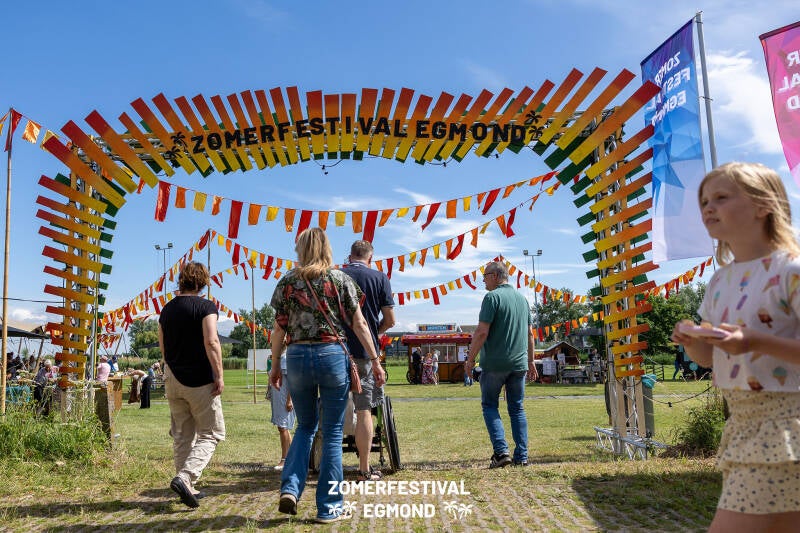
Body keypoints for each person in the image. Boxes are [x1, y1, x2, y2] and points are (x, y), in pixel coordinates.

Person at [670, 162, 800, 532]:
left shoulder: (791, 271)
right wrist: (693, 342)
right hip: (743, 424)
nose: (708, 207)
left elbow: (748, 344)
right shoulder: (719, 281)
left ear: (764, 205)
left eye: (721, 198)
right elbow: (710, 359)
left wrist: (754, 341)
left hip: (786, 422)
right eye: (704, 201)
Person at [269, 227, 384, 524]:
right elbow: (359, 324)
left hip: (296, 358)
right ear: (327, 249)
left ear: (301, 249)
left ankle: (291, 489)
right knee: (332, 432)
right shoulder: (340, 279)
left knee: (305, 427)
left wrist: (274, 365)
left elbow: (279, 329)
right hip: (332, 355)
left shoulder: (287, 282)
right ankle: (329, 507)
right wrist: (375, 359)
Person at [158, 261, 225, 509]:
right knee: (211, 433)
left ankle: (187, 488)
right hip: (199, 380)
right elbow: (212, 341)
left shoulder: (167, 309)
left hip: (172, 377)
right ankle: (186, 478)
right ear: (202, 282)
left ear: (182, 281)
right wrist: (219, 374)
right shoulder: (206, 306)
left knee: (182, 434)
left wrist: (170, 367)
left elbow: (162, 345)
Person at [465, 261, 538, 468]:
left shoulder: (492, 297)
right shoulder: (522, 300)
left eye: (485, 276)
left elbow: (481, 332)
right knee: (517, 408)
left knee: (490, 405)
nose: (483, 280)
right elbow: (530, 335)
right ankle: (522, 456)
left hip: (495, 364)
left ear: (495, 276)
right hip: (519, 364)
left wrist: (470, 360)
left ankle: (501, 452)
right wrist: (531, 361)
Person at [341, 239, 396, 482]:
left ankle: (326, 465)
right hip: (365, 353)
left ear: (350, 255)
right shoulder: (379, 278)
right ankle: (364, 468)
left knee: (329, 409)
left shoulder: (337, 276)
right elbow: (390, 320)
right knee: (365, 410)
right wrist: (375, 333)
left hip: (336, 349)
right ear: (370, 258)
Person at [269, 350, 294, 472]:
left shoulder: (285, 358)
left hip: (284, 398)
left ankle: (284, 459)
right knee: (282, 428)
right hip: (278, 397)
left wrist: (289, 400)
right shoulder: (278, 358)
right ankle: (291, 456)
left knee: (283, 427)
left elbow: (291, 381)